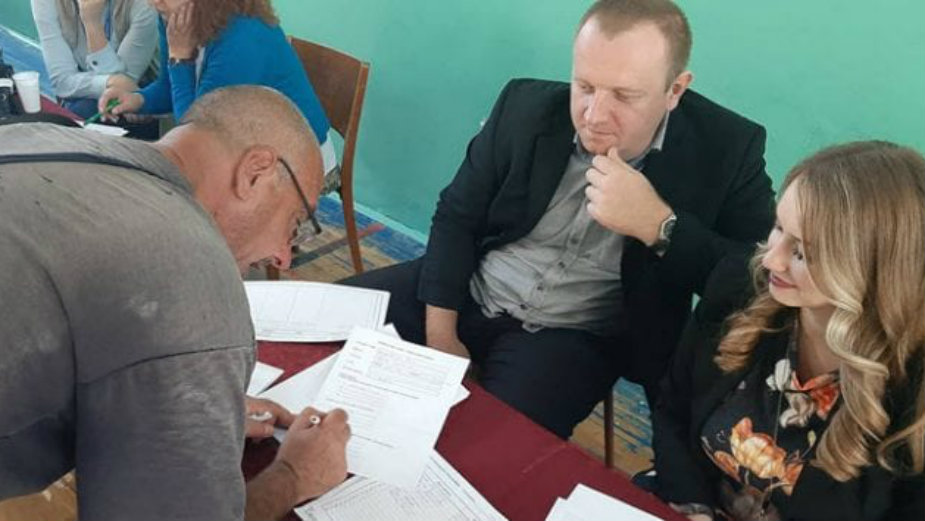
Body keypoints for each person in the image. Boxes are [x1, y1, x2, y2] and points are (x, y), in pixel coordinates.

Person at [342, 0, 774, 439]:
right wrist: (441, 337)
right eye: (584, 86)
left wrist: (660, 226)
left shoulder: (727, 150)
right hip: (465, 288)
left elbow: (758, 279)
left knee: (485, 449)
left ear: (675, 90)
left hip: (570, 337)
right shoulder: (524, 107)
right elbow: (457, 215)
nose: (594, 115)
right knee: (312, 336)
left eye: (624, 96)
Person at [0, 85, 350, 521]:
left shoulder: (41, 136)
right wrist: (295, 475)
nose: (283, 257)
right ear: (255, 172)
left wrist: (187, 410)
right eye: (295, 223)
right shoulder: (189, 274)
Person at [651, 141, 925, 521]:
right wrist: (693, 509)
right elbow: (673, 411)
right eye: (778, 227)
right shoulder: (737, 287)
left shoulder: (913, 388)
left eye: (802, 253)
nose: (771, 259)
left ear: (872, 268)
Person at [98, 0, 338, 174]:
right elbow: (169, 88)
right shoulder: (175, 17)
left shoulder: (242, 36)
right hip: (241, 138)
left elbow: (196, 135)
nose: (154, 2)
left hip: (298, 159)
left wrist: (180, 58)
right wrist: (138, 99)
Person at [31, 0, 158, 119]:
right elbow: (62, 81)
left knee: (88, 110)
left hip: (137, 87)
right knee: (80, 110)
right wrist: (108, 81)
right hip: (79, 89)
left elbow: (125, 86)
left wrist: (92, 24)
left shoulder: (144, 4)